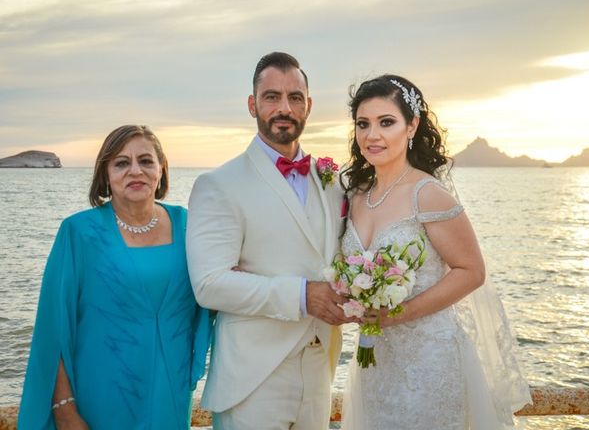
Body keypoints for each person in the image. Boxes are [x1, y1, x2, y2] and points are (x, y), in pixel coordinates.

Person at [339, 75, 531, 429]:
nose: (372, 135)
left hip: (429, 360)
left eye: (387, 122)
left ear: (411, 126)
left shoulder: (426, 193)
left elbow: (471, 271)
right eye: (363, 124)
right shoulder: (355, 195)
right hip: (375, 361)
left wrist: (398, 313)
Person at [186, 51, 353, 430]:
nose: (284, 108)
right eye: (272, 96)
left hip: (319, 371)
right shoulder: (218, 185)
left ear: (308, 106)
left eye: (295, 98)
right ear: (252, 104)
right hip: (253, 378)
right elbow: (209, 284)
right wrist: (301, 295)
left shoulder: (333, 181)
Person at [18, 125, 211, 430]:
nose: (135, 171)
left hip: (170, 391)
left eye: (145, 161)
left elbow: (216, 287)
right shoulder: (79, 233)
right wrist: (64, 409)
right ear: (105, 175)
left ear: (161, 170)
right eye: (121, 163)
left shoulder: (189, 225)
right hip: (101, 393)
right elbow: (53, 328)